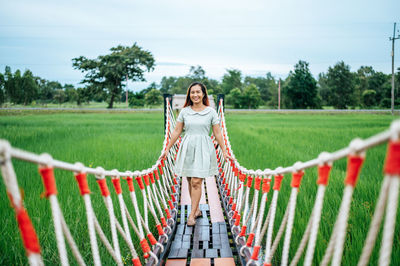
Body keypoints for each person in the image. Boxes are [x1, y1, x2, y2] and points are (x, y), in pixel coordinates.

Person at [160, 82, 232, 226]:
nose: (195, 95)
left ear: (203, 94)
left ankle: (191, 215)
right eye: (192, 92)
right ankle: (197, 209)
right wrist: (167, 148)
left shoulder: (211, 112)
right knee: (189, 180)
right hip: (187, 147)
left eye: (198, 92)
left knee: (196, 181)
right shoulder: (185, 111)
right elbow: (176, 131)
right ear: (189, 95)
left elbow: (217, 132)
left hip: (203, 148)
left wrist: (224, 151)